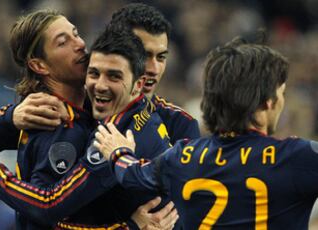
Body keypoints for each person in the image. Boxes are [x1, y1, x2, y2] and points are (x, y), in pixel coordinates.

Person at [0, 12, 177, 229]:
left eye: (75, 34)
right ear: (39, 65)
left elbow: (47, 208)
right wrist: (11, 118)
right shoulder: (52, 121)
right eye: (63, 42)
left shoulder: (109, 122)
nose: (79, 44)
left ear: (138, 83)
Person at [94, 35, 318, 229]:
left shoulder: (181, 157)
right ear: (267, 103)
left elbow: (132, 174)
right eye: (282, 93)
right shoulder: (298, 157)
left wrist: (117, 152)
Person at [0, 3, 200, 158]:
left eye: (161, 57)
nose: (152, 68)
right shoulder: (56, 112)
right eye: (141, 54)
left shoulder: (179, 123)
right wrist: (10, 119)